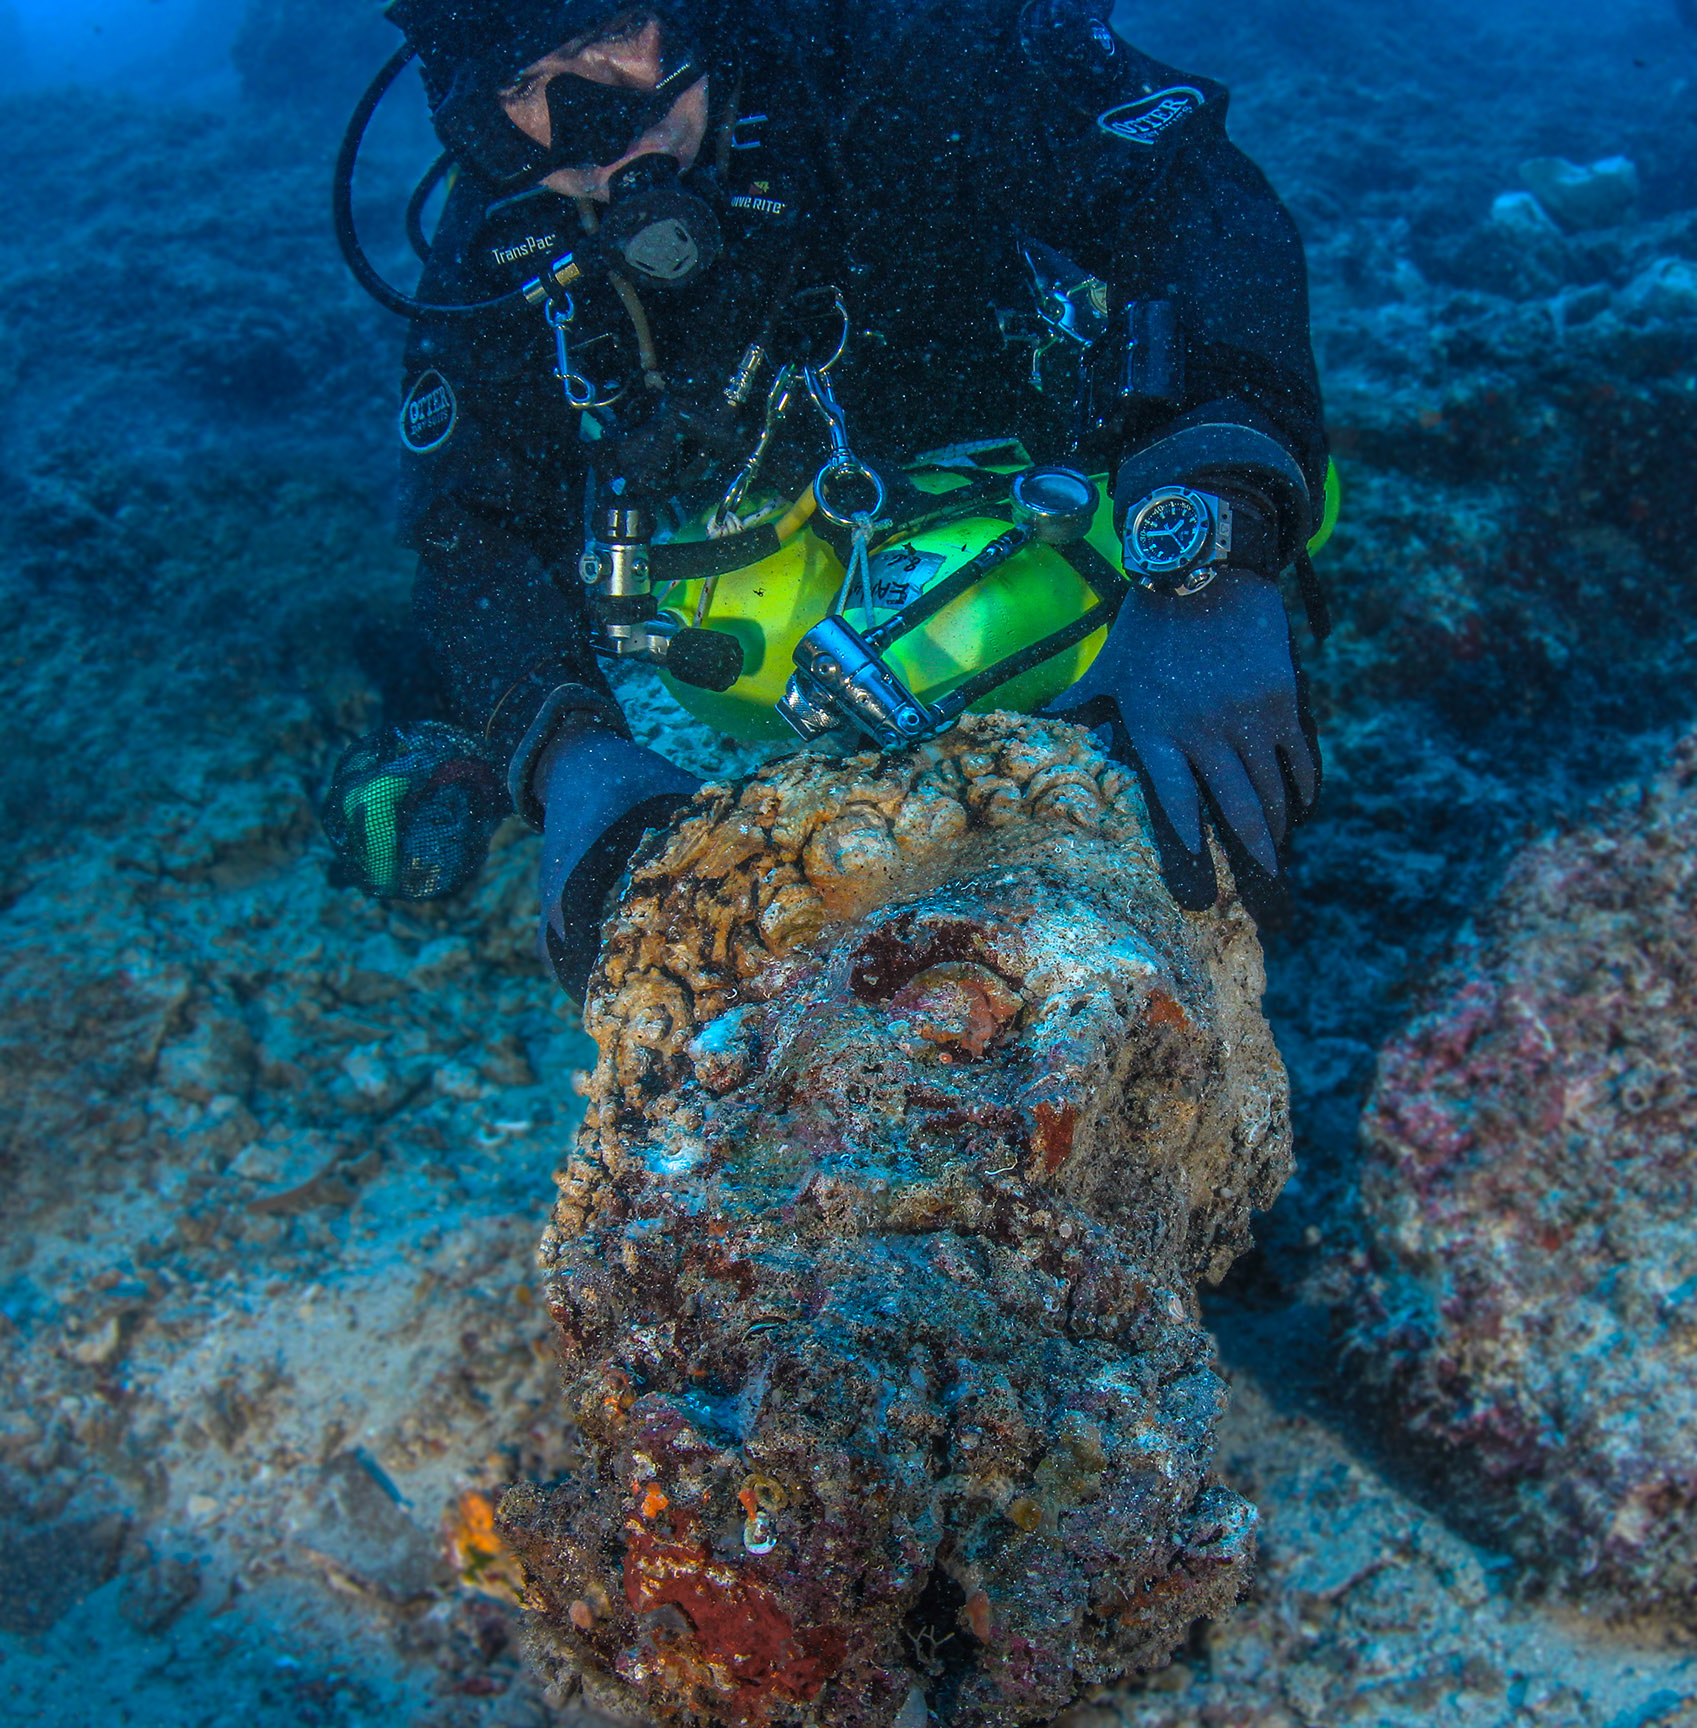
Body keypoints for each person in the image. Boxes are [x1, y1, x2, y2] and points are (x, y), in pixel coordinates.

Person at [325, 0, 1328, 997]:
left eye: (608, 37)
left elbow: (1189, 197)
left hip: (1052, 461)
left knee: (1285, 518)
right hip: (802, 537)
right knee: (727, 652)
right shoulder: (505, 234)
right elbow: (473, 519)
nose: (592, 120)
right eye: (524, 86)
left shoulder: (895, 37)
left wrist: (1212, 539)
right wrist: (562, 749)